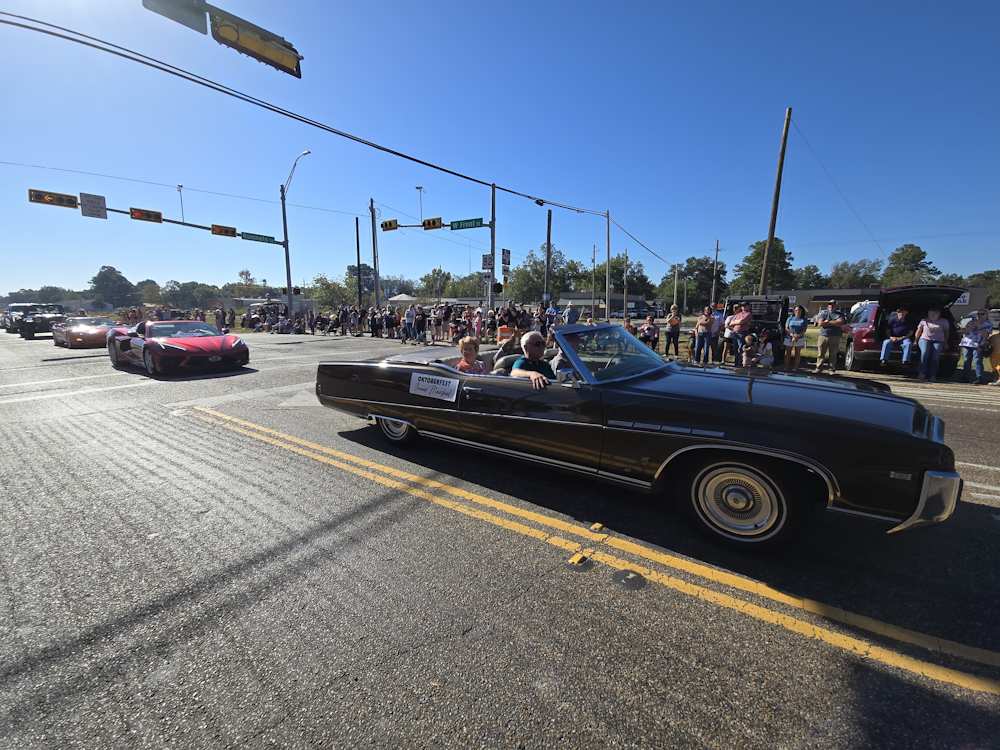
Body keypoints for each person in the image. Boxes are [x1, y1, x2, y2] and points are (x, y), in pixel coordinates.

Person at [914, 307, 950, 382]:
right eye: (931, 313)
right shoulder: (924, 321)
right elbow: (918, 331)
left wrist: (946, 342)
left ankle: (932, 375)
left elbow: (946, 333)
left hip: (938, 340)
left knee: (935, 357)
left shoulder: (944, 321)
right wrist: (915, 341)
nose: (933, 314)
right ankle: (922, 373)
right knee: (924, 354)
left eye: (935, 313)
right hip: (924, 339)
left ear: (939, 314)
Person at [959, 311, 991, 384]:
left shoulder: (988, 324)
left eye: (982, 314)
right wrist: (967, 328)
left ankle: (979, 377)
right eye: (979, 314)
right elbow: (965, 331)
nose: (980, 315)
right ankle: (965, 377)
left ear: (986, 315)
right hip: (967, 343)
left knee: (977, 360)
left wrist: (982, 344)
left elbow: (985, 334)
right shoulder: (970, 322)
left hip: (977, 344)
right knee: (966, 360)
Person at [812, 301, 844, 374]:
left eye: (833, 304)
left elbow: (840, 322)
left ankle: (831, 369)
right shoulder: (824, 313)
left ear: (836, 305)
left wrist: (827, 322)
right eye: (830, 304)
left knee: (833, 354)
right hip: (823, 335)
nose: (831, 306)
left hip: (835, 336)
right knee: (820, 353)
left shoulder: (840, 314)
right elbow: (820, 323)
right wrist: (834, 322)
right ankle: (818, 368)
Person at [784, 305, 809, 371]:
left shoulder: (804, 319)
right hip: (789, 337)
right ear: (794, 311)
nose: (797, 311)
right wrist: (792, 335)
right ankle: (786, 367)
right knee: (788, 353)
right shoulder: (790, 318)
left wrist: (797, 336)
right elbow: (786, 328)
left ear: (801, 311)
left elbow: (804, 330)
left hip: (799, 338)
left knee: (797, 353)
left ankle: (795, 367)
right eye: (796, 310)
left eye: (799, 310)